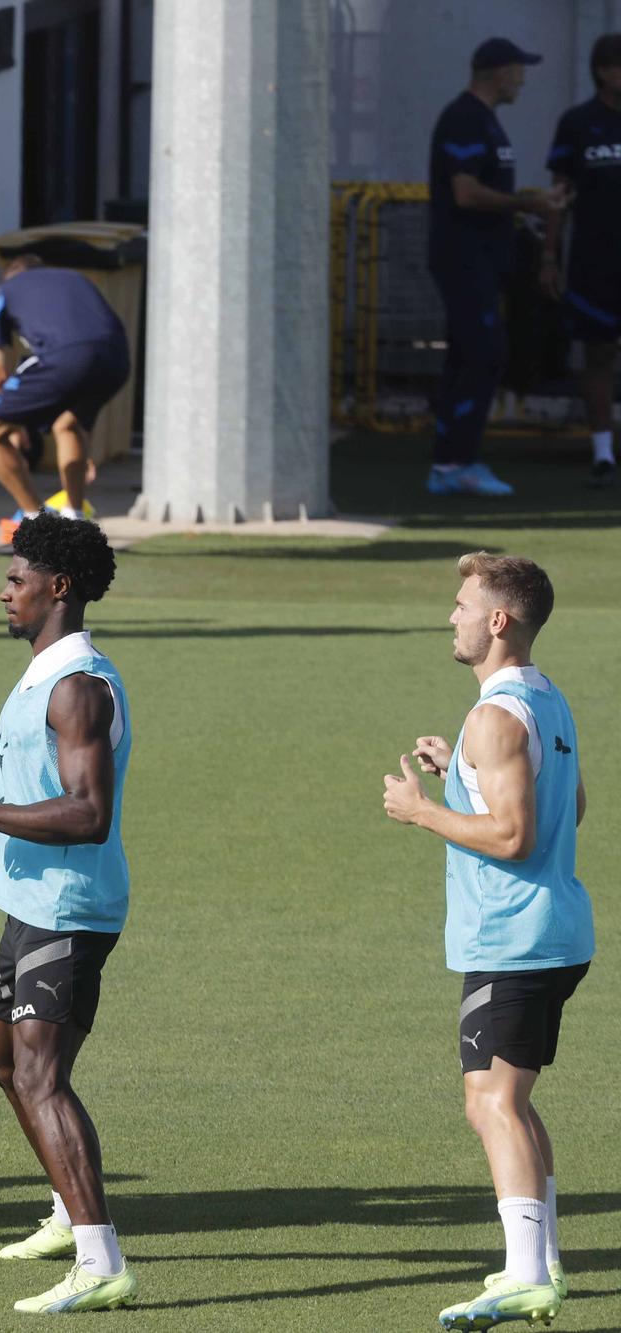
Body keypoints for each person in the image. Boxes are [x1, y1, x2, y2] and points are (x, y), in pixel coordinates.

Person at [0, 510, 137, 1315]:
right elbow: (39, 775)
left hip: (69, 906)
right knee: (6, 1064)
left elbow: (87, 813)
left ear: (59, 586)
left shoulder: (79, 686)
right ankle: (64, 1210)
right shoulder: (48, 673)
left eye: (16, 579)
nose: (4, 590)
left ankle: (100, 1257)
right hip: (28, 899)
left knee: (43, 1073)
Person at [380, 554, 591, 1332]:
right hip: (555, 931)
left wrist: (423, 808)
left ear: (499, 620)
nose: (453, 615)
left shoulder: (494, 717)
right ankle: (541, 1260)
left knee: (491, 1100)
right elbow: (569, 805)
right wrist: (464, 775)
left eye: (464, 603)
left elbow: (514, 831)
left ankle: (527, 1274)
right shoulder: (547, 700)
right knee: (514, 1101)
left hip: (515, 939)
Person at [425, 38, 565, 498]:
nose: (523, 78)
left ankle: (450, 461)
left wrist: (524, 206)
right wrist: (525, 201)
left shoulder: (485, 121)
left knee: (471, 354)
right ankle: (456, 461)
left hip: (483, 258)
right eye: (519, 69)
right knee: (484, 353)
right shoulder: (464, 117)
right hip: (463, 258)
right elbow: (465, 193)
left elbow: (483, 191)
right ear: (499, 72)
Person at [0, 256, 131, 555]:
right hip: (116, 358)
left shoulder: (4, 290)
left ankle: (37, 529)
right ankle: (76, 523)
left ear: (11, 276)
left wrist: (13, 423)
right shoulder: (75, 276)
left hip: (66, 357)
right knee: (69, 424)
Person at [543, 32, 621, 489]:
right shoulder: (577, 123)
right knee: (598, 354)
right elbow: (558, 195)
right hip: (593, 263)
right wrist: (549, 257)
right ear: (603, 71)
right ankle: (603, 452)